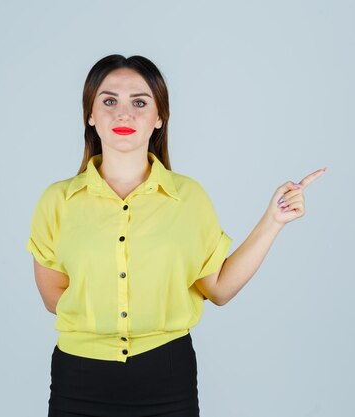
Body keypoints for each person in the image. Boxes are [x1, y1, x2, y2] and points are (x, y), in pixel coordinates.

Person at [25, 54, 326, 417]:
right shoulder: (57, 201)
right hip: (79, 377)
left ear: (159, 117)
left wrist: (273, 220)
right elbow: (52, 296)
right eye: (109, 101)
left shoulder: (188, 198)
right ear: (90, 114)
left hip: (166, 376)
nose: (124, 114)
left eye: (140, 102)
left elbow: (219, 288)